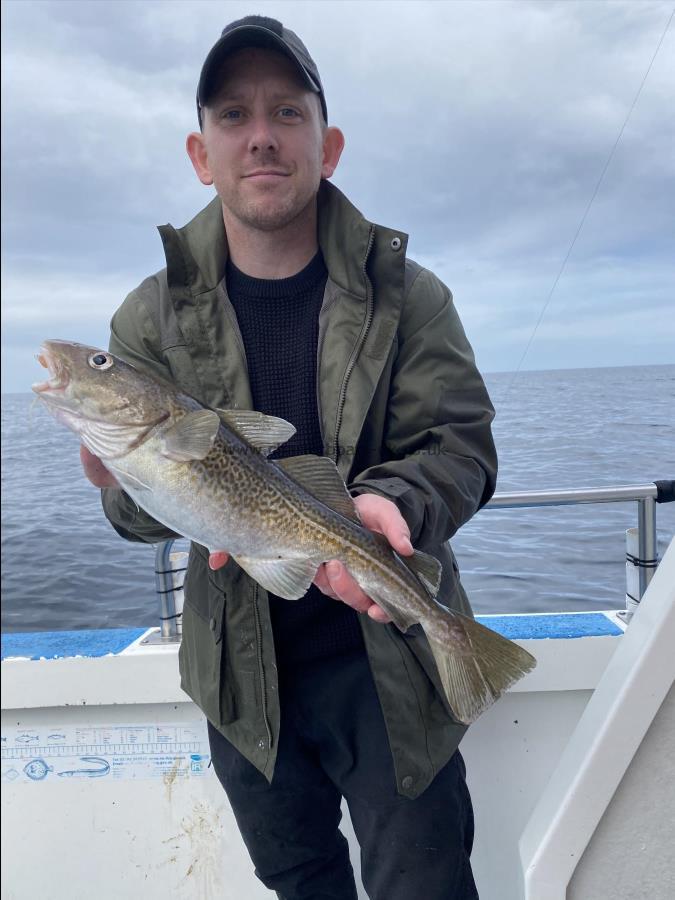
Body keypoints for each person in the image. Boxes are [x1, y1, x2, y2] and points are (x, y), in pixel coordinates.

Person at [82, 15, 497, 900]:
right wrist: (118, 487)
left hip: (389, 667)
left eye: (286, 112)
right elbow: (142, 511)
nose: (260, 135)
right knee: (300, 885)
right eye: (233, 115)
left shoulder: (409, 296)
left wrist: (395, 503)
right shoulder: (147, 320)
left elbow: (459, 444)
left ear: (327, 143)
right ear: (201, 153)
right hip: (240, 673)